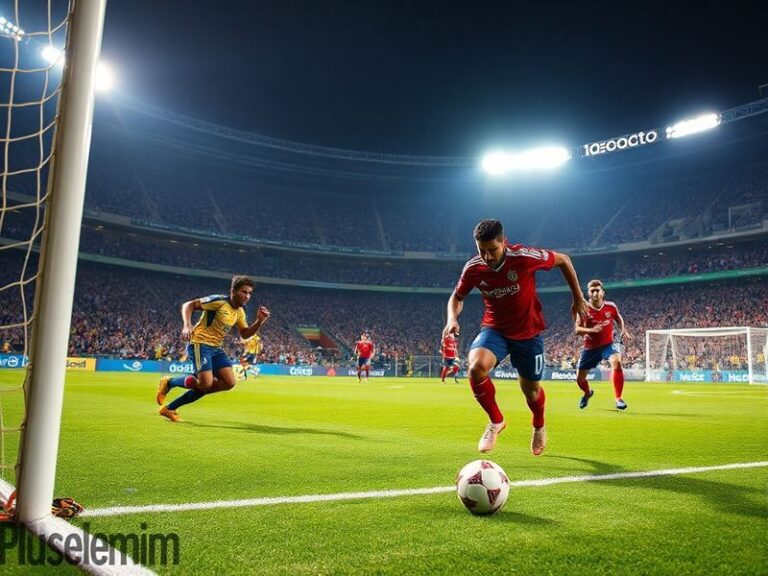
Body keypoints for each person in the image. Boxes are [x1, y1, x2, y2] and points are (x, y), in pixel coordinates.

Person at [442, 219, 587, 455]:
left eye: (492, 250)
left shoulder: (524, 257)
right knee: (476, 368)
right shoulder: (473, 268)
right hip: (494, 329)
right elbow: (457, 297)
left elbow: (564, 260)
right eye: (482, 250)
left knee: (531, 391)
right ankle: (496, 421)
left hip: (528, 333)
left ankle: (539, 426)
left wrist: (578, 298)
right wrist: (452, 318)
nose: (487, 257)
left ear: (503, 242)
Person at [156, 275, 270, 422]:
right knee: (205, 384)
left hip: (216, 348)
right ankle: (169, 382)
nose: (247, 296)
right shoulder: (219, 301)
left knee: (229, 383)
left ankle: (169, 408)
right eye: (244, 292)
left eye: (249, 293)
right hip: (199, 343)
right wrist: (187, 325)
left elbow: (245, 333)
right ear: (233, 291)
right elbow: (188, 305)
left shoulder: (240, 312)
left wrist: (259, 321)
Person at [574, 279, 631, 410]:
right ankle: (587, 393)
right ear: (588, 293)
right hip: (590, 348)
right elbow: (577, 329)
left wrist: (623, 329)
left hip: (607, 345)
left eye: (597, 290)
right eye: (592, 291)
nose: (595, 293)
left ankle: (618, 399)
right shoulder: (583, 309)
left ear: (602, 292)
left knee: (617, 362)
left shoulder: (611, 306)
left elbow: (618, 317)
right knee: (579, 379)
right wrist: (591, 330)